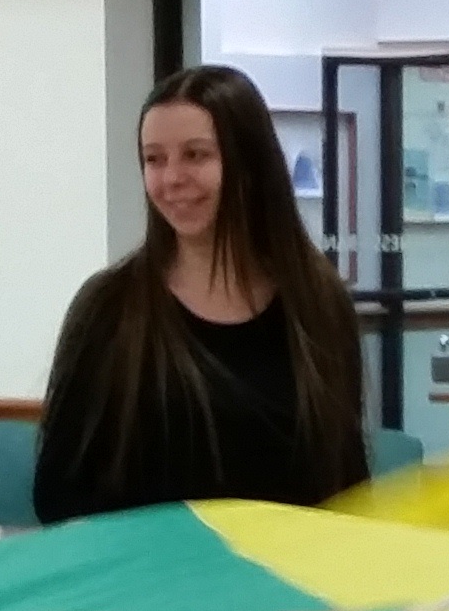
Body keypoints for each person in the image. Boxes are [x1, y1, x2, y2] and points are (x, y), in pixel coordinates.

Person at [33, 65, 368, 522]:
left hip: (281, 566)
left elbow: (346, 483)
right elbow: (59, 492)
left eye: (195, 155)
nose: (171, 178)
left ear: (249, 164)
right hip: (148, 566)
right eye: (154, 159)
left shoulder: (319, 304)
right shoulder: (108, 308)